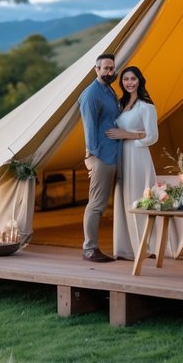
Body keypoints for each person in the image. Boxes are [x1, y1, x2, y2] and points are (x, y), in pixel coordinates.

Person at [106, 66, 159, 260]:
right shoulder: (120, 105)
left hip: (138, 157)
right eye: (126, 79)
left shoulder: (146, 106)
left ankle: (144, 246)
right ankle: (125, 249)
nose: (129, 82)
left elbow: (152, 136)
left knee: (138, 199)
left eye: (133, 79)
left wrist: (127, 135)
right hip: (122, 155)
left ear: (140, 80)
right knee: (123, 199)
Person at [77, 53, 120, 262]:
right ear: (97, 69)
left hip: (113, 153)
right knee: (96, 204)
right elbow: (89, 127)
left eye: (112, 68)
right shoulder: (91, 94)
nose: (110, 72)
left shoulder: (109, 90)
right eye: (105, 68)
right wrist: (92, 157)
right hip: (101, 155)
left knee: (105, 204)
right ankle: (89, 248)